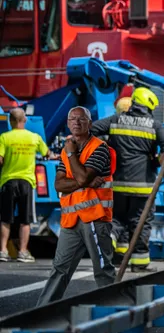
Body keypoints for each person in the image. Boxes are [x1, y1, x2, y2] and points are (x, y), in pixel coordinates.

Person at [37, 107, 118, 305]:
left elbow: (81, 177)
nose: (76, 122)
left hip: (95, 218)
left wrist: (73, 157)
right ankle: (42, 310)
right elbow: (59, 184)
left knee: (102, 269)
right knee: (60, 268)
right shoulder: (67, 150)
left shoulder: (99, 148)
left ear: (90, 124)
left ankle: (113, 312)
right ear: (67, 123)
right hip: (71, 220)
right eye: (72, 119)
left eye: (81, 119)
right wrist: (84, 181)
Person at [91, 86, 164, 272]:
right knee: (140, 222)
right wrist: (157, 161)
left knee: (117, 219)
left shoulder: (116, 120)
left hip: (117, 184)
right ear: (149, 106)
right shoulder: (154, 125)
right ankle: (139, 263)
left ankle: (112, 244)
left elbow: (92, 129)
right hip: (143, 186)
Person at [0, 108, 50, 262]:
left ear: (10, 121)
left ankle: (2, 251)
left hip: (8, 181)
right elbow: (46, 154)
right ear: (25, 120)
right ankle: (23, 252)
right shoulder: (34, 138)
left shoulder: (4, 137)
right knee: (25, 219)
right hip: (27, 182)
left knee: (5, 218)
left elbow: (0, 159)